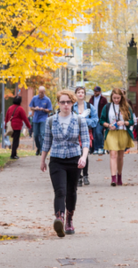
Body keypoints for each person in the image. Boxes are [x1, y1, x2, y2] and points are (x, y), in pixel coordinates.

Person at [40, 89, 90, 237]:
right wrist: (42, 160)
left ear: (72, 103)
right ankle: (59, 218)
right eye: (63, 102)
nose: (66, 105)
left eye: (68, 102)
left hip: (74, 159)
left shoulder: (80, 120)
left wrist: (84, 157)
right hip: (56, 160)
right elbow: (46, 142)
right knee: (60, 190)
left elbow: (86, 141)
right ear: (58, 103)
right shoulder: (51, 120)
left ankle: (69, 219)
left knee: (71, 191)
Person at [100, 88, 135, 185]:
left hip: (122, 132)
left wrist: (124, 122)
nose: (116, 100)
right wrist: (108, 125)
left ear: (121, 97)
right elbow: (101, 120)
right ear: (111, 97)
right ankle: (113, 178)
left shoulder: (126, 107)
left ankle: (119, 176)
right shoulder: (107, 107)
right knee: (113, 154)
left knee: (120, 156)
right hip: (111, 133)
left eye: (118, 98)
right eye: (114, 98)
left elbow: (132, 121)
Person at [73, 87, 98, 186]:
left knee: (84, 153)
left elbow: (95, 120)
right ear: (75, 94)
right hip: (75, 133)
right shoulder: (72, 107)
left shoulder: (89, 107)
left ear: (84, 94)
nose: (80, 94)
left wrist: (83, 120)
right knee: (77, 154)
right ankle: (78, 177)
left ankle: (85, 175)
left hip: (86, 132)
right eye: (78, 92)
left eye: (82, 92)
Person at [6, 95, 31, 160]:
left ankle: (13, 153)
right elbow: (25, 118)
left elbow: (6, 117)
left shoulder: (10, 108)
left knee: (14, 140)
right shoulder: (20, 108)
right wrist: (29, 126)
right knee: (16, 141)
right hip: (17, 127)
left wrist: (5, 125)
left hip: (11, 126)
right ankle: (13, 154)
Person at [29, 86, 53, 156]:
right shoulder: (34, 98)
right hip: (36, 119)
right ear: (38, 92)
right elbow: (31, 107)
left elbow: (50, 110)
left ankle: (42, 150)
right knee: (36, 135)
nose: (41, 94)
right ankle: (38, 148)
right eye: (40, 92)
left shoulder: (47, 100)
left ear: (44, 92)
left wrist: (43, 109)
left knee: (42, 134)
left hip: (43, 118)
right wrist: (35, 108)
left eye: (42, 92)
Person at [88, 86, 108, 154]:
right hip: (93, 119)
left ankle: (101, 147)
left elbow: (106, 109)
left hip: (100, 119)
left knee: (98, 132)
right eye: (94, 91)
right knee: (94, 134)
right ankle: (95, 148)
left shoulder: (103, 99)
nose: (95, 92)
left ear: (100, 92)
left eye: (96, 91)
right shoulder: (91, 99)